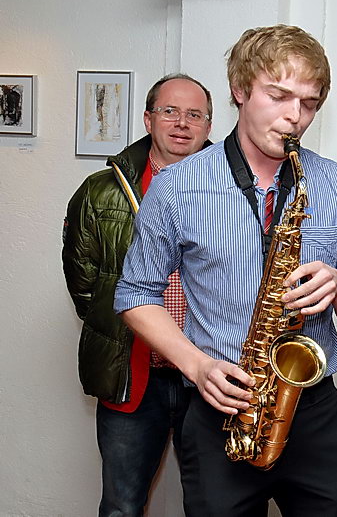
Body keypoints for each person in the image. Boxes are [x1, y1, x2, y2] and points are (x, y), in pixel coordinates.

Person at [114, 25, 337, 516]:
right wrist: (197, 365)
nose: (294, 117)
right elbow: (134, 294)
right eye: (278, 96)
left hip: (314, 410)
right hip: (222, 408)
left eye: (309, 103)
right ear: (239, 89)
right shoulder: (177, 186)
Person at [62, 73, 213, 516]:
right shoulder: (100, 191)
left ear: (208, 126)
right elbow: (84, 285)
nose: (182, 123)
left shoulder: (238, 193)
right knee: (121, 506)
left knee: (219, 505)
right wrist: (133, 328)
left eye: (195, 115)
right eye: (170, 111)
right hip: (133, 374)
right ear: (148, 119)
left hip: (212, 377)